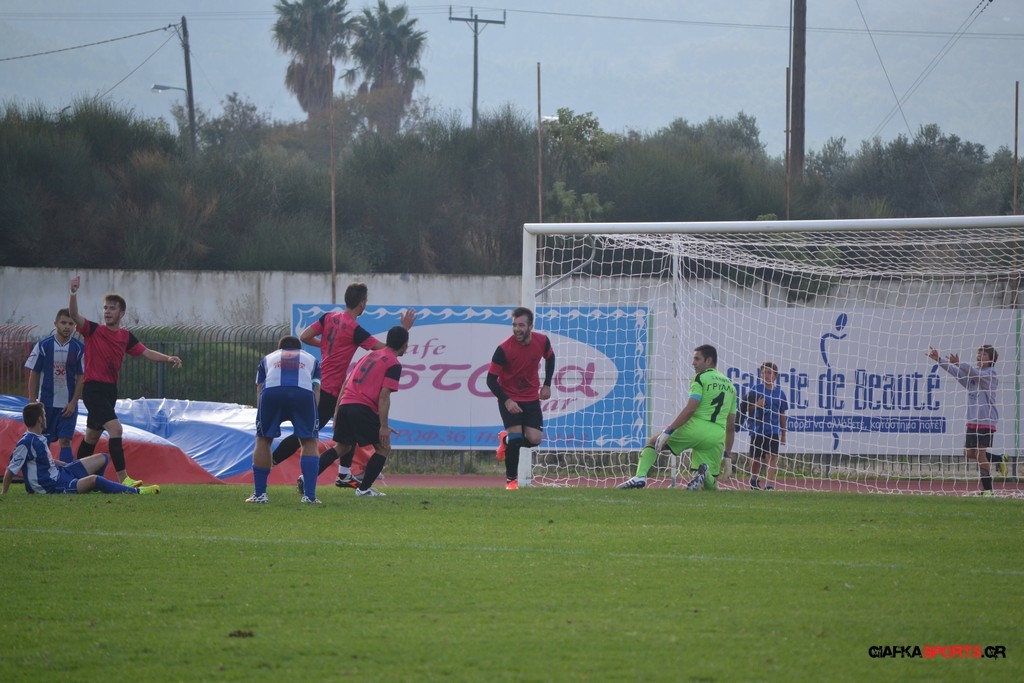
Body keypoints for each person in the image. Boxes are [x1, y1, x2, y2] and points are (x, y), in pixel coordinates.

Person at [281, 282, 415, 492]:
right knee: (306, 434)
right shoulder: (356, 331)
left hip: (328, 389)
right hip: (332, 392)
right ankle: (272, 462)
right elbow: (387, 351)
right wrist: (404, 330)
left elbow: (304, 336)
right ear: (362, 304)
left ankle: (339, 475)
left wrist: (327, 345)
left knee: (343, 443)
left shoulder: (329, 318)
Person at [69, 276, 182, 486]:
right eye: (105, 308)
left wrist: (168, 358)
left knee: (91, 437)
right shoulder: (94, 330)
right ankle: (124, 479)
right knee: (116, 429)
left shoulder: (125, 336)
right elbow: (74, 315)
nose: (107, 311)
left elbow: (146, 352)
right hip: (93, 390)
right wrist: (73, 292)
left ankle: (72, 476)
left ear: (121, 313)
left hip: (110, 391)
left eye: (112, 308)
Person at [619, 344, 737, 491]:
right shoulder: (731, 386)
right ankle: (705, 472)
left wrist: (669, 430)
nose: (693, 363)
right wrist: (727, 455)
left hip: (696, 428)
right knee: (711, 488)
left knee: (653, 442)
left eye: (697, 359)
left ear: (709, 361)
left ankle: (640, 477)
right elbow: (731, 426)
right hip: (716, 435)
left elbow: (690, 409)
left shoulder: (700, 378)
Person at [2, 402, 159, 495]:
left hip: (62, 473)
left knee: (103, 458)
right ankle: (138, 492)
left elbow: (45, 462)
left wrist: (68, 465)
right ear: (39, 419)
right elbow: (11, 469)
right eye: (44, 414)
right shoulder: (26, 442)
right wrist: (4, 493)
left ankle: (92, 488)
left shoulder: (38, 438)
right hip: (53, 486)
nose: (46, 417)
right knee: (95, 479)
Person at [331, 326, 409, 497]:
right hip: (362, 408)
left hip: (345, 404)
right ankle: (364, 489)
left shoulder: (369, 355)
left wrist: (337, 411)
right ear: (405, 345)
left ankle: (306, 478)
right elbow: (384, 395)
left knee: (342, 447)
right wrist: (383, 426)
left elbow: (346, 383)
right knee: (383, 447)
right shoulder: (394, 363)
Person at [247, 336, 322, 504]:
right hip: (302, 394)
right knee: (309, 440)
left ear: (279, 348)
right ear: (300, 349)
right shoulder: (312, 359)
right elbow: (316, 389)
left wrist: (262, 414)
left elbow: (260, 388)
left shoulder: (268, 358)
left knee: (263, 439)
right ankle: (309, 496)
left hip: (272, 394)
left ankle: (260, 495)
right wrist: (313, 413)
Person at [486, 307, 555, 490]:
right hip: (509, 398)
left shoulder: (542, 341)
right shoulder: (503, 349)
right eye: (514, 325)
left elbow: (550, 357)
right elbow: (490, 380)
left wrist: (547, 384)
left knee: (535, 439)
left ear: (530, 326)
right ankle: (511, 482)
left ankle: (505, 440)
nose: (517, 329)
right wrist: (507, 400)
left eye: (521, 325)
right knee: (516, 439)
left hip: (530, 397)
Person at [927, 344, 1000, 496]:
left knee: (980, 454)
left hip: (986, 421)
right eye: (979, 354)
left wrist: (959, 363)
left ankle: (988, 490)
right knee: (968, 453)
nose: (980, 356)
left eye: (984, 355)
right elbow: (957, 373)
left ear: (991, 359)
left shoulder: (990, 374)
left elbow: (971, 371)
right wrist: (939, 360)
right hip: (972, 421)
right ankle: (999, 459)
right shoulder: (973, 376)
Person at [24, 308, 85, 463]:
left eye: (71, 324)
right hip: (46, 405)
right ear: (56, 323)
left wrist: (73, 403)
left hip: (68, 406)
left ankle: (67, 475)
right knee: (43, 441)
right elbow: (34, 374)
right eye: (63, 323)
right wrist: (33, 402)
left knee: (65, 441)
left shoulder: (79, 348)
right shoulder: (43, 345)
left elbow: (81, 377)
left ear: (75, 326)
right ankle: (43, 472)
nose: (67, 327)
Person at [740, 361, 788, 491]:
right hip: (758, 430)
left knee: (771, 457)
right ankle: (754, 479)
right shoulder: (755, 390)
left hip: (773, 430)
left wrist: (783, 434)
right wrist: (757, 405)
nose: (766, 375)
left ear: (775, 376)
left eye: (769, 372)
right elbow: (746, 408)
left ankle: (769, 485)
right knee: (756, 459)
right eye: (763, 373)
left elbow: (782, 415)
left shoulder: (780, 394)